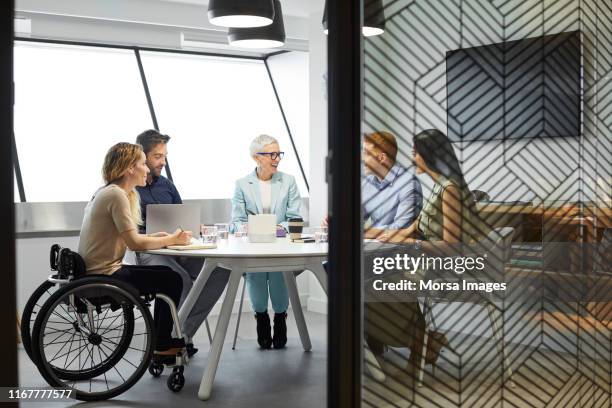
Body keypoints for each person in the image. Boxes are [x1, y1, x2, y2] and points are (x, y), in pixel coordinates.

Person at [376, 128, 490, 374]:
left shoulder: (450, 190)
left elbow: (452, 245)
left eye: (415, 153)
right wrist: (399, 235)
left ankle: (422, 342)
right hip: (428, 262)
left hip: (446, 269)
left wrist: (410, 244)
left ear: (429, 155)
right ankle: (424, 340)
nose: (412, 157)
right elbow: (421, 222)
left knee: (377, 281)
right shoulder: (441, 186)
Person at [78, 142, 192, 361]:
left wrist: (156, 237)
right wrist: (172, 239)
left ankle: (161, 340)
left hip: (97, 270)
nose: (147, 169)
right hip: (106, 274)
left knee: (166, 277)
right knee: (172, 279)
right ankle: (162, 343)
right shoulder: (116, 195)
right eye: (143, 163)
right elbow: (134, 243)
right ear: (130, 168)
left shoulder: (108, 192)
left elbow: (132, 238)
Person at [133, 129, 230, 357]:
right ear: (142, 156)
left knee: (220, 269)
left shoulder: (167, 185)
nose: (163, 162)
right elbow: (131, 234)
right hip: (148, 251)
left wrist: (197, 229)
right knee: (179, 278)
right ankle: (167, 339)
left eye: (165, 156)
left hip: (178, 248)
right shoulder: (130, 187)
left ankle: (182, 334)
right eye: (158, 156)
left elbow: (182, 218)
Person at [231, 134, 302, 349]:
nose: (276, 158)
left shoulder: (288, 181)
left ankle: (280, 318)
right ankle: (261, 318)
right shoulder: (242, 184)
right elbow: (236, 220)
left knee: (279, 277)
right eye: (271, 154)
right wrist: (245, 228)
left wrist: (280, 228)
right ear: (256, 157)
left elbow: (294, 217)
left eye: (278, 154)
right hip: (253, 245)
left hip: (280, 243)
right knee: (257, 277)